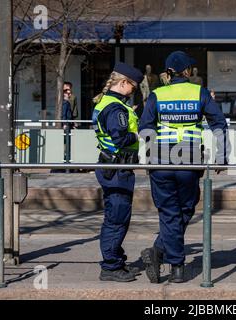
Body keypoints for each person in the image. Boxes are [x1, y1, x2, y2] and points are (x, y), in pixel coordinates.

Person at [138, 51, 230, 283]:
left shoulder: (157, 95)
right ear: (188, 72)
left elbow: (145, 126)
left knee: (170, 212)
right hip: (188, 159)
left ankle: (159, 251)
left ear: (168, 72)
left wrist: (149, 156)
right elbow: (218, 122)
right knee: (186, 207)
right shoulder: (199, 93)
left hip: (161, 159)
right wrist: (222, 155)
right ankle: (176, 266)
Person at [91, 62, 144, 282]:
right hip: (117, 169)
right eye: (134, 86)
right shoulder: (115, 108)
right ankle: (110, 267)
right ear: (123, 83)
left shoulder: (108, 103)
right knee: (116, 218)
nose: (134, 91)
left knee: (117, 216)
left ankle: (117, 261)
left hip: (113, 167)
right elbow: (121, 138)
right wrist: (138, 133)